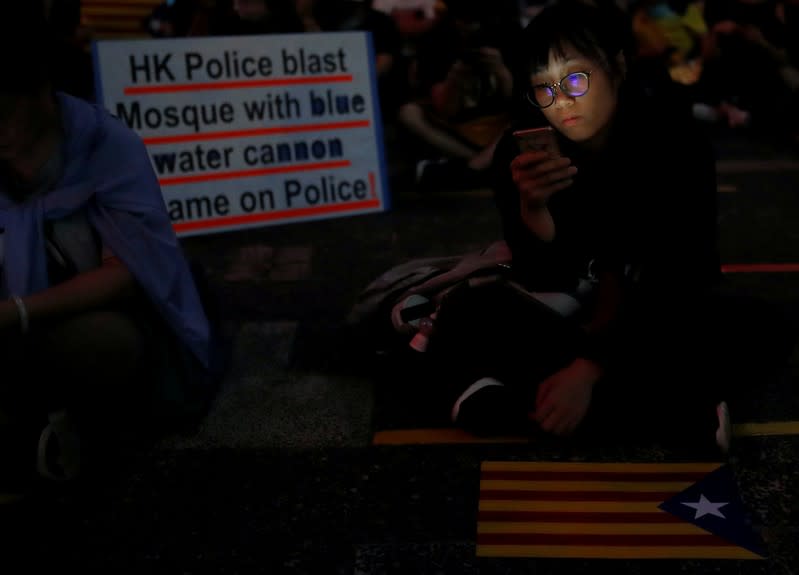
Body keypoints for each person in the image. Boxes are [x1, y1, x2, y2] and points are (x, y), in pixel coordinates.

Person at [420, 0, 795, 451]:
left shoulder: (673, 141)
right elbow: (543, 276)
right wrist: (533, 212)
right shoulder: (523, 152)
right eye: (545, 88)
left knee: (760, 327)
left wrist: (587, 369)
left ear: (616, 64)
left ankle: (540, 403)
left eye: (576, 79)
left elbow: (680, 270)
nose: (562, 103)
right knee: (467, 310)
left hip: (654, 314)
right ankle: (669, 412)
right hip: (571, 310)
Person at [0, 1, 224, 487]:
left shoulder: (106, 146)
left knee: (110, 343)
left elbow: (128, 271)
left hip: (59, 323)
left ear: (40, 94)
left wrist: (17, 311)